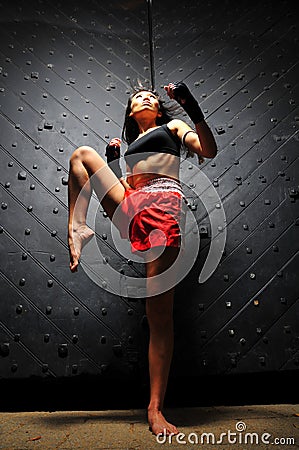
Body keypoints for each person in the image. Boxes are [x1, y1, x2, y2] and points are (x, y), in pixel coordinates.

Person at [67, 81, 217, 435]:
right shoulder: (131, 145)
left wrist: (190, 105)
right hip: (133, 208)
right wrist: (115, 165)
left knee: (158, 316)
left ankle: (155, 410)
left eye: (151, 96)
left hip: (163, 209)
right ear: (132, 112)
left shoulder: (172, 128)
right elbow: (130, 191)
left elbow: (208, 150)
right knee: (82, 157)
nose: (146, 97)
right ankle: (77, 227)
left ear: (161, 108)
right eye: (138, 97)